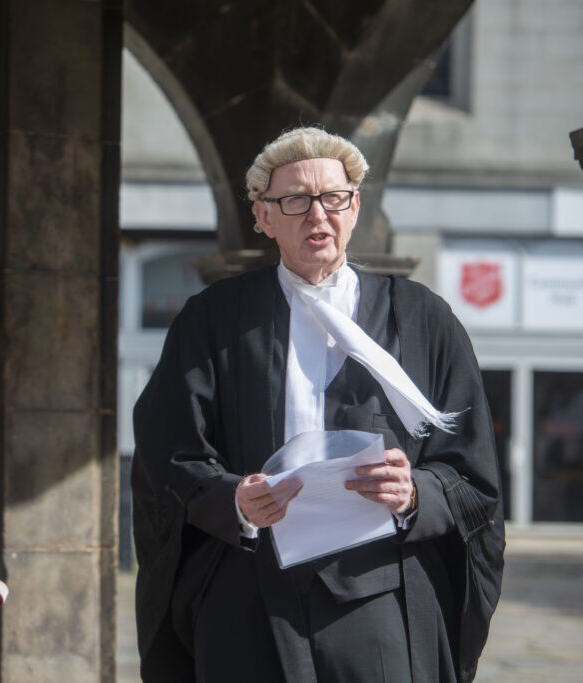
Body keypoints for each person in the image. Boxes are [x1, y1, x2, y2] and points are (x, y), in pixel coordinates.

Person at [131, 127, 504, 683]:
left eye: (334, 198)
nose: (318, 215)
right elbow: (171, 455)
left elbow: (470, 472)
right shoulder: (212, 319)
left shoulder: (424, 319)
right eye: (295, 201)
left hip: (381, 595)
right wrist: (232, 499)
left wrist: (413, 494)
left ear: (354, 208)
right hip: (248, 589)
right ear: (263, 217)